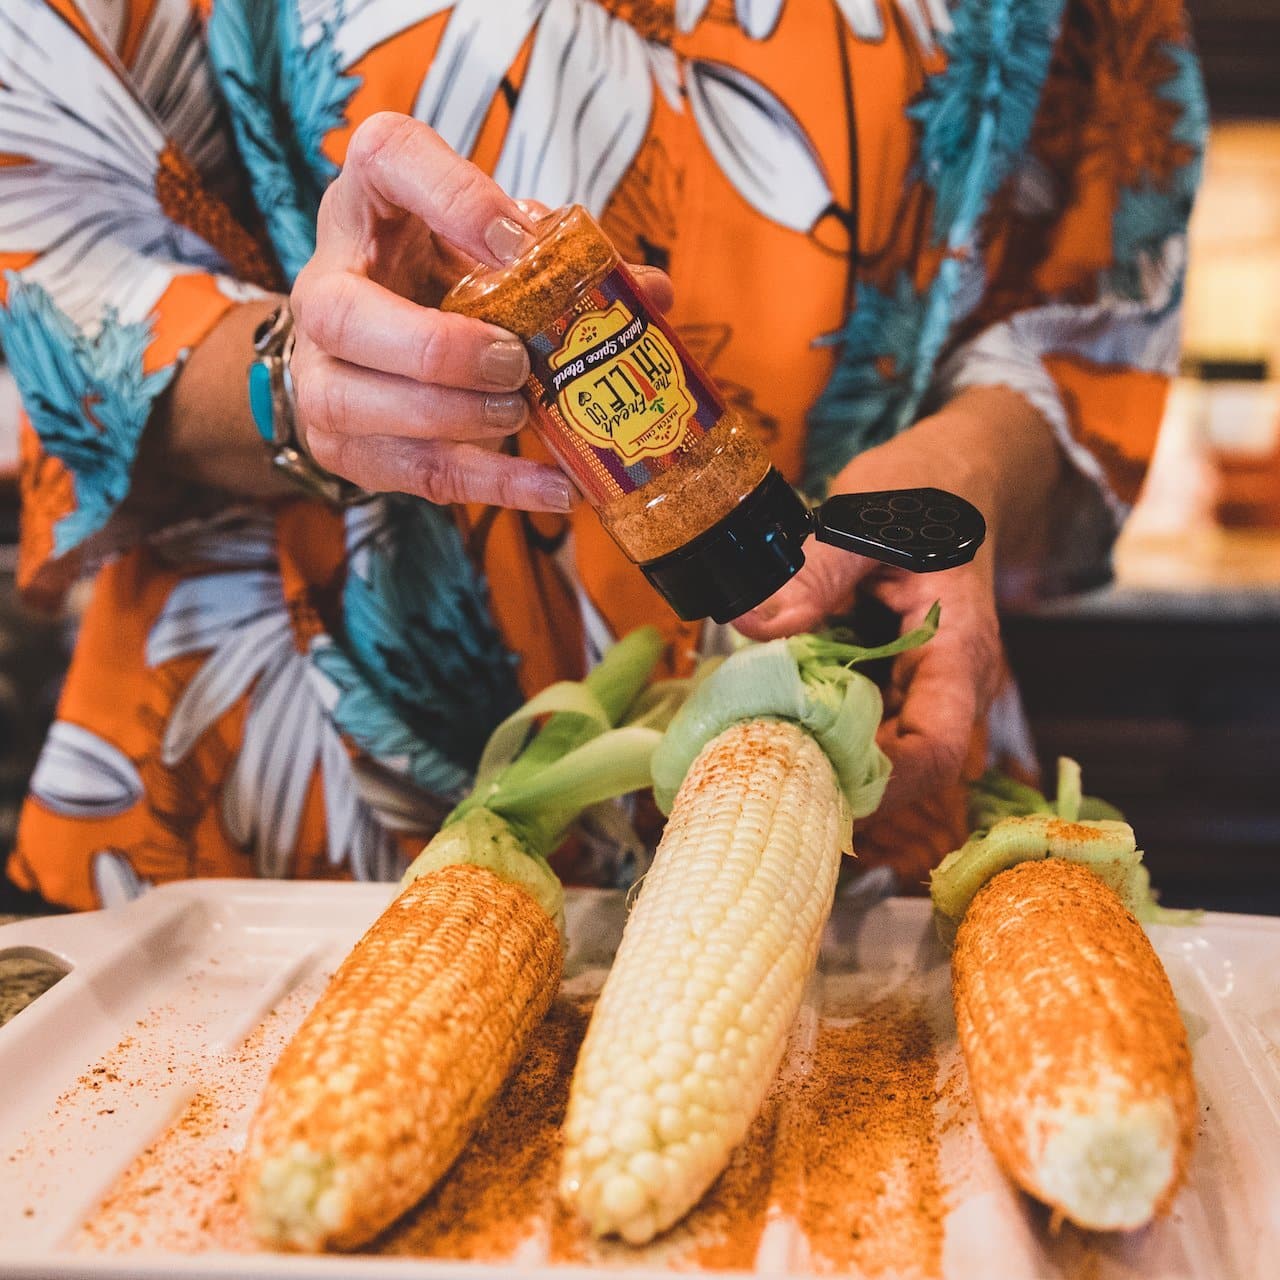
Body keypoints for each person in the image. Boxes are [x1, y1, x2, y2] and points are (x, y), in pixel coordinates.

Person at [0, 0, 1205, 910]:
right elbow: (41, 260)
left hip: (858, 771)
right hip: (295, 795)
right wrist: (291, 380)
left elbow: (1094, 301)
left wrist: (966, 469)